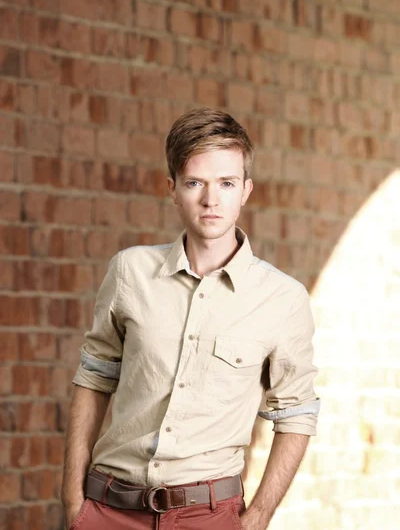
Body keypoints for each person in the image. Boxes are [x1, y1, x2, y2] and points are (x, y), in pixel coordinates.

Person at [62, 108, 320, 530]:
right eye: (195, 182)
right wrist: (73, 500)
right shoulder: (129, 272)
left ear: (246, 190)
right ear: (173, 189)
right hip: (108, 510)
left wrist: (257, 517)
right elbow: (94, 378)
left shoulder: (283, 299)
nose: (211, 199)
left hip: (210, 515)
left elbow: (297, 412)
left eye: (226, 183)